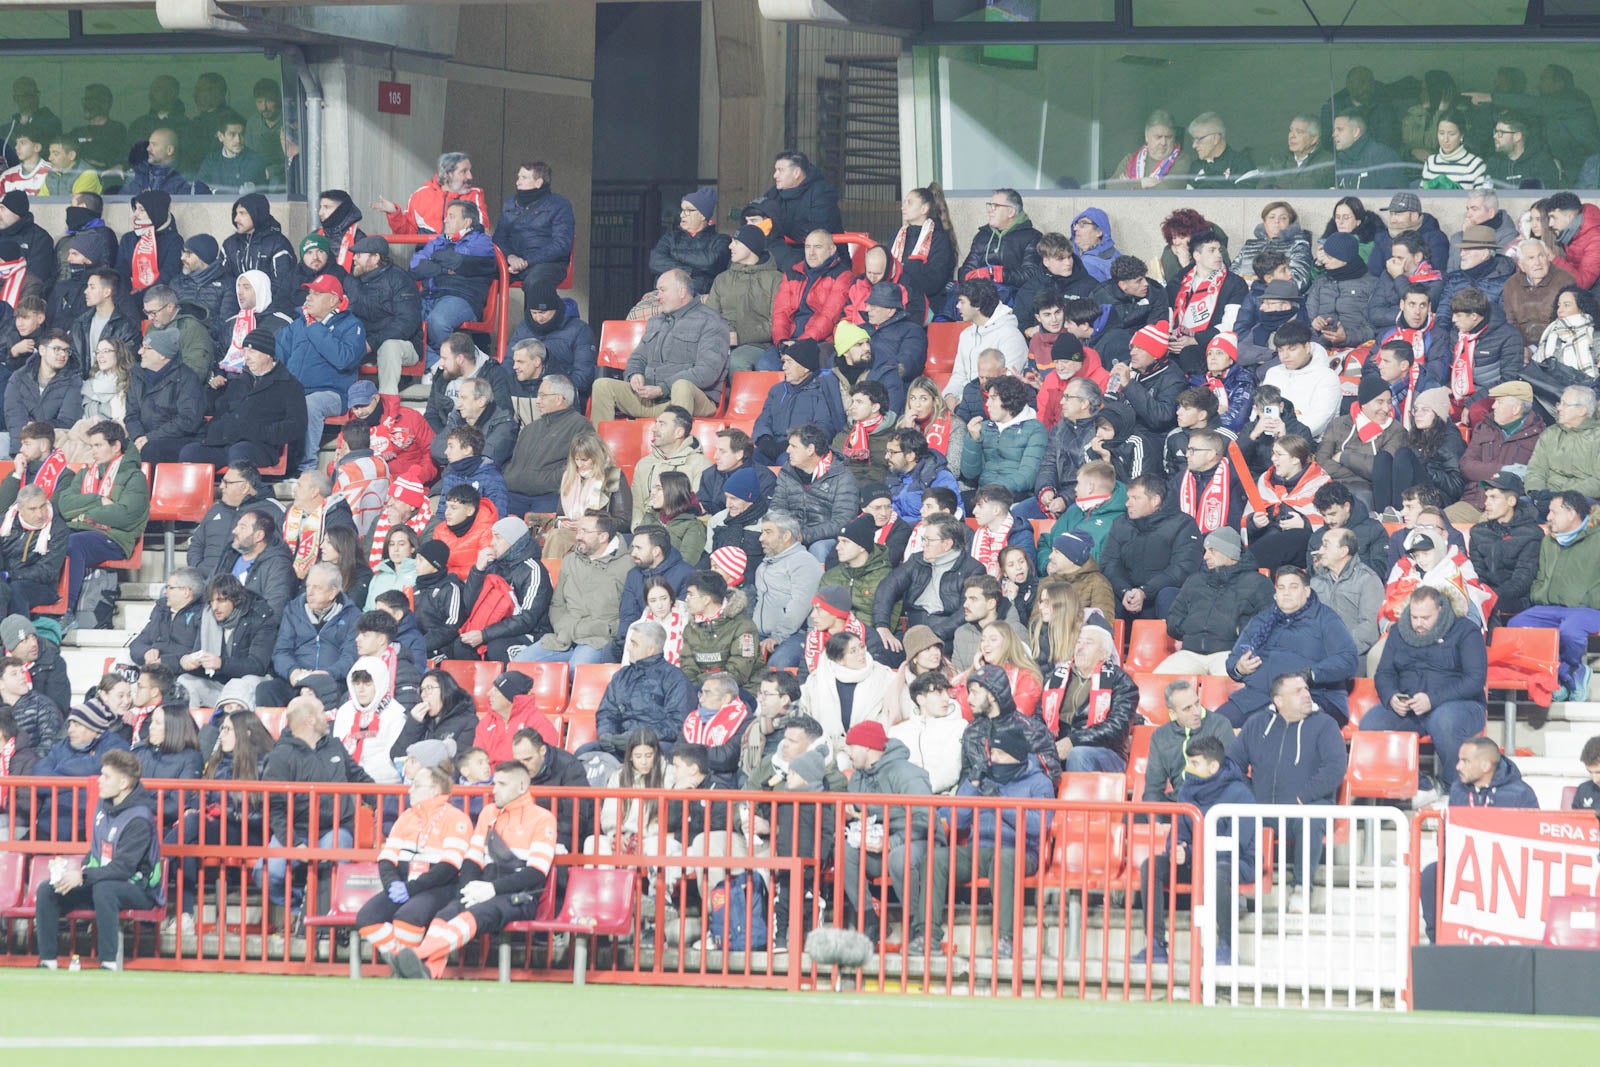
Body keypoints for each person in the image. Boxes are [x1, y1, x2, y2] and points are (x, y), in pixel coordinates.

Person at [390, 759, 557, 981]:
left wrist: (492, 889)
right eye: (495, 783)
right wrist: (468, 888)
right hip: (481, 887)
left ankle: (414, 957)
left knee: (473, 915)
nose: (494, 789)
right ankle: (427, 971)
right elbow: (472, 858)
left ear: (522, 787)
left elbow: (536, 872)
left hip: (519, 895)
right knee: (445, 914)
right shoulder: (489, 813)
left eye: (501, 784)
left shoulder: (543, 819)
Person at [909, 713, 1052, 960]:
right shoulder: (985, 777)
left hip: (1020, 852)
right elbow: (955, 819)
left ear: (1015, 756)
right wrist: (972, 784)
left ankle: (1005, 939)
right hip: (978, 850)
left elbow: (1039, 826)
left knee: (1004, 859)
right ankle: (926, 936)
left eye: (998, 755)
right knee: (938, 858)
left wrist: (1001, 803)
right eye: (992, 754)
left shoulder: (1038, 782)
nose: (993, 760)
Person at [32, 749, 160, 970]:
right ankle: (47, 961)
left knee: (105, 889)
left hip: (140, 888)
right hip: (100, 881)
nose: (99, 780)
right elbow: (96, 852)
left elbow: (123, 868)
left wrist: (82, 876)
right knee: (48, 889)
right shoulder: (103, 806)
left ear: (123, 783)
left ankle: (108, 962)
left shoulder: (140, 817)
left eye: (106, 776)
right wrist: (73, 874)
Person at [1232, 672, 1347, 910]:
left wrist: (1302, 797)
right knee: (1230, 813)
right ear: (1278, 700)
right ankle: (1238, 888)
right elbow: (1233, 765)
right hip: (1261, 805)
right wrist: (1248, 796)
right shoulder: (1256, 724)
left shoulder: (1325, 725)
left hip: (1305, 804)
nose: (1306, 694)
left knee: (1311, 818)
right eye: (1297, 691)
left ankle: (1302, 887)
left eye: (1306, 689)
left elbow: (1335, 767)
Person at [1418, 736, 1540, 942]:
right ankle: (1437, 942)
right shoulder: (1458, 790)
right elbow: (1450, 833)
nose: (1457, 766)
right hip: (1466, 866)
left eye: (1465, 761)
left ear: (1485, 766)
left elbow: (1532, 842)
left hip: (1507, 871)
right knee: (1432, 874)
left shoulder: (1520, 794)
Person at [353, 764, 474, 966]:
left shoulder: (457, 819)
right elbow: (387, 858)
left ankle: (405, 969)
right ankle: (407, 965)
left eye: (416, 785)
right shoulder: (406, 817)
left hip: (439, 888)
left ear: (435, 789)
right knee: (366, 918)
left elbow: (449, 868)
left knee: (407, 917)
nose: (410, 790)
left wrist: (411, 888)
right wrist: (392, 884)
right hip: (403, 886)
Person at [1218, 567, 1359, 728]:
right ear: (1275, 593)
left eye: (1293, 587)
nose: (1286, 593)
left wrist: (1311, 673)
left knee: (1280, 728)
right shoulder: (1263, 618)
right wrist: (1239, 667)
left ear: (1306, 591)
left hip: (1313, 695)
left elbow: (1348, 659)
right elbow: (1234, 660)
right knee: (1216, 725)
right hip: (1258, 696)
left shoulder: (1326, 619)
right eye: (1281, 588)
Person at [590, 270, 729, 421]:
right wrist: (634, 374)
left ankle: (675, 443)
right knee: (602, 386)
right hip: (651, 398)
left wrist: (662, 389)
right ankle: (597, 444)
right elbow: (638, 357)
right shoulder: (656, 321)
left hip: (691, 399)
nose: (658, 297)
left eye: (662, 290)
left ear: (681, 291)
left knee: (682, 386)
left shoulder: (711, 321)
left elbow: (707, 371)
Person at [839, 720, 931, 942]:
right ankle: (870, 920)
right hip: (878, 843)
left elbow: (924, 820)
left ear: (867, 747)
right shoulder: (859, 776)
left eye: (852, 746)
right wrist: (851, 815)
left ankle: (915, 925)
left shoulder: (906, 773)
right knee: (845, 850)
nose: (848, 752)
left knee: (899, 857)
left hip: (918, 842)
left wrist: (890, 843)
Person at [1507, 489, 1600, 701]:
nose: (1548, 517)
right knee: (1517, 624)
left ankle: (1574, 672)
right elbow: (1541, 576)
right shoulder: (1549, 541)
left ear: (1571, 513)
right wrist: (1539, 592)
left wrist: (1589, 598)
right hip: (1550, 607)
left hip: (1589, 609)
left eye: (1553, 512)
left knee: (1569, 631)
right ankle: (1556, 675)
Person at [278, 274, 365, 472]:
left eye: (316, 294)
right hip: (294, 389)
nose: (308, 298)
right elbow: (277, 354)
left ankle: (306, 467)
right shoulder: (298, 323)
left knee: (311, 404)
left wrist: (316, 328)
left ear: (333, 299)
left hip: (333, 394)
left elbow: (344, 359)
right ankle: (274, 465)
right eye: (309, 293)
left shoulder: (352, 325)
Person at [57, 420, 147, 612]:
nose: (93, 452)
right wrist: (99, 500)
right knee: (50, 537)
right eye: (91, 446)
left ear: (116, 446)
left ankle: (66, 610)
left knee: (75, 544)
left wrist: (82, 514)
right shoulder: (84, 474)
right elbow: (64, 506)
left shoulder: (134, 476)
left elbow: (125, 515)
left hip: (114, 538)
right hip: (82, 531)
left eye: (98, 445)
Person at [1099, 475, 1201, 620]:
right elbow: (1110, 563)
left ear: (1155, 500)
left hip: (1160, 597)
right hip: (1126, 596)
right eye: (1128, 498)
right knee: (1102, 591)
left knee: (1167, 595)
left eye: (1135, 498)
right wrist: (1124, 590)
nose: (1128, 503)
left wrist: (1145, 592)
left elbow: (1183, 568)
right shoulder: (1121, 524)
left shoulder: (1183, 525)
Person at [408, 201, 496, 368]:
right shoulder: (439, 240)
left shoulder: (481, 241)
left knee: (438, 322)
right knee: (402, 320)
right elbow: (414, 266)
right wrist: (444, 268)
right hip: (431, 294)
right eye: (446, 216)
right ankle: (438, 365)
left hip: (462, 297)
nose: (445, 220)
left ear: (467, 222)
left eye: (452, 216)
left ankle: (455, 367)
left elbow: (457, 260)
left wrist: (435, 260)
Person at [259, 562, 359, 706]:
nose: (309, 593)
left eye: (317, 588)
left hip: (331, 680)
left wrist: (325, 675)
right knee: (266, 690)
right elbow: (281, 651)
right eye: (308, 586)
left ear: (332, 592)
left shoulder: (351, 615)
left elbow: (350, 657)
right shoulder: (293, 610)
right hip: (297, 678)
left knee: (335, 693)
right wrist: (293, 672)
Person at [173, 573, 276, 709]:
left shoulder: (260, 617)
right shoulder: (207, 617)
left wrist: (221, 663)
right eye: (211, 601)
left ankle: (231, 726)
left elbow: (257, 666)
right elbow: (202, 662)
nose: (215, 607)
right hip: (219, 682)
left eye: (221, 600)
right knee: (185, 681)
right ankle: (188, 727)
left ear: (235, 600)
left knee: (239, 684)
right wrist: (186, 661)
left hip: (251, 682)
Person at [347, 235, 424, 398]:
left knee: (389, 346)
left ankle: (388, 405)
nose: (354, 258)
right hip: (366, 343)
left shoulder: (399, 279)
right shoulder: (352, 280)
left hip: (404, 344)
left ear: (375, 258)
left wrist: (373, 342)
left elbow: (407, 322)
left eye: (359, 254)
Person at [771, 424, 858, 561]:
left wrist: (804, 535)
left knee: (819, 548)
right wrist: (785, 532)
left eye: (794, 446)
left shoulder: (842, 476)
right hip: (792, 534)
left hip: (827, 538)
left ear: (810, 449)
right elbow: (777, 506)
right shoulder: (787, 471)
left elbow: (843, 520)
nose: (787, 450)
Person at [1467, 472, 1543, 622]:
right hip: (1484, 596)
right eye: (1486, 497)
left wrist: (1489, 596)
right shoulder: (1478, 532)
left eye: (1494, 497)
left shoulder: (1532, 534)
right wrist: (1482, 594)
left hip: (1518, 600)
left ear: (1511, 501)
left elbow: (1521, 581)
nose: (1486, 503)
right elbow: (1476, 572)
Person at [752, 511, 825, 670]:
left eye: (768, 532)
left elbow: (800, 605)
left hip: (795, 634)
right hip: (760, 632)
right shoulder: (765, 564)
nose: (761, 538)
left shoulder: (803, 562)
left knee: (778, 665)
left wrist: (777, 636)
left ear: (786, 536)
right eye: (762, 532)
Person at [707, 224, 782, 373]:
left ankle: (735, 396)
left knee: (738, 361)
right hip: (720, 341)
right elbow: (709, 317)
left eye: (736, 242)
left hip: (760, 345)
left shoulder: (776, 279)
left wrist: (739, 336)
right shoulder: (722, 279)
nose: (730, 246)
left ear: (750, 246)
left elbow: (777, 323)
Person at [943, 279, 1026, 406]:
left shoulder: (1010, 335)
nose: (957, 306)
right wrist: (949, 396)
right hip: (966, 402)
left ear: (977, 306)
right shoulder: (965, 335)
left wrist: (964, 401)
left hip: (996, 405)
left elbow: (1009, 382)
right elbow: (959, 375)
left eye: (962, 302)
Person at [758, 151, 843, 272]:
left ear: (796, 172)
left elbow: (816, 231)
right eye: (775, 170)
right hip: (784, 256)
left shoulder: (822, 193)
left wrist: (777, 229)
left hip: (823, 261)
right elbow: (756, 214)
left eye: (780, 170)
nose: (775, 175)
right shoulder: (774, 193)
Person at [494, 160, 574, 288]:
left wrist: (527, 261)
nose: (517, 182)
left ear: (538, 183)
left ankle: (554, 308)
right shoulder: (510, 203)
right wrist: (510, 257)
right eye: (518, 177)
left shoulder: (559, 205)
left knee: (536, 282)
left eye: (524, 178)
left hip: (546, 263)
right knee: (477, 274)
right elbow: (499, 238)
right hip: (511, 262)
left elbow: (561, 245)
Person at [374, 151, 492, 237]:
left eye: (470, 171)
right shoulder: (421, 195)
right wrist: (394, 213)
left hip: (461, 259)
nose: (470, 176)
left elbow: (482, 230)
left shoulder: (475, 195)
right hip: (427, 260)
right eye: (464, 172)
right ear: (446, 174)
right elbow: (407, 233)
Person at [0, 482, 67, 618]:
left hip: (41, 586)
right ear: (20, 509)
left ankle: (20, 636)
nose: (40, 514)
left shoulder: (58, 529)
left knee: (16, 590)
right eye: (33, 509)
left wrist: (11, 575)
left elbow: (47, 571)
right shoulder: (4, 524)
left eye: (43, 506)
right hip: (6, 579)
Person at [1525, 385, 1600, 504]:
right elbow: (1536, 469)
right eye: (1559, 403)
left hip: (1581, 498)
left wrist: (1561, 496)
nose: (1559, 408)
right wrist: (1536, 492)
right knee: (1514, 506)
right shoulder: (1551, 433)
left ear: (1582, 410)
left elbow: (1597, 481)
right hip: (1546, 495)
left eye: (1565, 404)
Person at [890, 184, 956, 318]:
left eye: (909, 203)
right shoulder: (897, 236)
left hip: (926, 304)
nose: (903, 207)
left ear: (924, 209)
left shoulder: (939, 239)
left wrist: (905, 276)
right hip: (894, 299)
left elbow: (935, 282)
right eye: (904, 202)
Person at [1504, 238, 1577, 349]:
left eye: (1541, 256)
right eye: (1531, 258)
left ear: (1548, 258)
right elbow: (1510, 322)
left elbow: (1570, 322)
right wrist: (1522, 348)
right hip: (1523, 347)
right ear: (1522, 265)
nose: (1537, 263)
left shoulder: (1565, 280)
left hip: (1557, 345)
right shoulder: (1511, 285)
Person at [1106, 109, 1192, 190]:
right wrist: (1141, 183)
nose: (1163, 142)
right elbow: (1110, 187)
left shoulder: (1182, 160)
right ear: (1147, 136)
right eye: (1158, 137)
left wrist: (1128, 185)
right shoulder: (1130, 159)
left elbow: (1165, 190)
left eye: (1169, 137)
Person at [1332, 108, 1406, 189]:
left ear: (1355, 132)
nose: (1334, 134)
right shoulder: (1341, 159)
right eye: (1334, 130)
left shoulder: (1383, 157)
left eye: (1340, 129)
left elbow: (1395, 197)